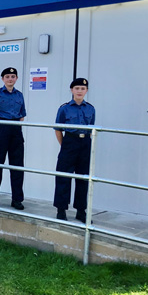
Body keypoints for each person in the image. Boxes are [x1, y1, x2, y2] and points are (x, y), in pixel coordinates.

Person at [0, 67, 26, 210]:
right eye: (7, 76)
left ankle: (17, 199)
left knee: (17, 166)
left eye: (13, 76)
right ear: (2, 79)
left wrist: (16, 129)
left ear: (16, 79)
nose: (10, 79)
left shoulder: (19, 95)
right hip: (0, 129)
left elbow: (22, 115)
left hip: (15, 130)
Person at [53, 78, 96, 223]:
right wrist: (65, 145)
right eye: (77, 88)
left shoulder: (90, 108)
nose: (79, 91)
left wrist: (84, 142)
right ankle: (61, 209)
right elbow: (58, 129)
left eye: (82, 89)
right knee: (63, 177)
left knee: (83, 178)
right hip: (69, 142)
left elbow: (91, 128)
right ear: (72, 90)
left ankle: (81, 211)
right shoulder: (64, 108)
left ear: (86, 91)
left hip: (85, 143)